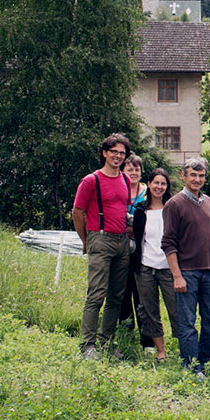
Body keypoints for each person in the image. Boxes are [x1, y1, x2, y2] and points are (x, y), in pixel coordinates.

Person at [161, 157, 210, 375]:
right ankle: (190, 366)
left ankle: (202, 361)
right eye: (193, 175)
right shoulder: (174, 204)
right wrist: (177, 276)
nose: (197, 179)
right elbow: (168, 243)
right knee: (187, 323)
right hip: (187, 273)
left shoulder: (209, 202)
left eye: (201, 176)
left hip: (209, 272)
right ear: (184, 176)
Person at [71, 133, 135, 360]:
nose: (118, 156)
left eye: (122, 153)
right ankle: (87, 346)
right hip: (100, 238)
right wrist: (85, 240)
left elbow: (123, 210)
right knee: (96, 294)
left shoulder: (126, 180)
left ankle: (106, 342)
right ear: (104, 153)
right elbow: (77, 212)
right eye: (114, 152)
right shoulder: (91, 180)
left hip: (121, 241)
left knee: (116, 296)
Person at [131, 168, 177, 360]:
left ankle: (185, 347)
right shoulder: (141, 210)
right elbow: (137, 237)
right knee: (149, 311)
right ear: (148, 184)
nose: (159, 187)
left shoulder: (173, 208)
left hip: (169, 268)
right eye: (156, 183)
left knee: (176, 309)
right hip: (146, 267)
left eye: (163, 183)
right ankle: (161, 351)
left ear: (167, 187)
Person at [120, 153, 148, 346]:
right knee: (122, 292)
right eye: (129, 169)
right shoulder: (118, 190)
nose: (133, 172)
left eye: (136, 169)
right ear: (122, 171)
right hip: (120, 248)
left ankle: (147, 338)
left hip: (143, 249)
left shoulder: (148, 192)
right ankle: (126, 333)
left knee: (142, 293)